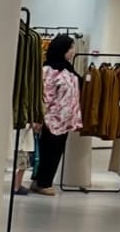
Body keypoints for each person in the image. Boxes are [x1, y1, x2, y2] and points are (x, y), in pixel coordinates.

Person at [32, 34, 83, 195]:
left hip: (65, 120)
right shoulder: (49, 70)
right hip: (52, 119)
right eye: (70, 48)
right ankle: (43, 183)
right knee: (49, 152)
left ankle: (41, 180)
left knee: (54, 151)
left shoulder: (68, 69)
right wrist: (39, 118)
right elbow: (45, 96)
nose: (73, 51)